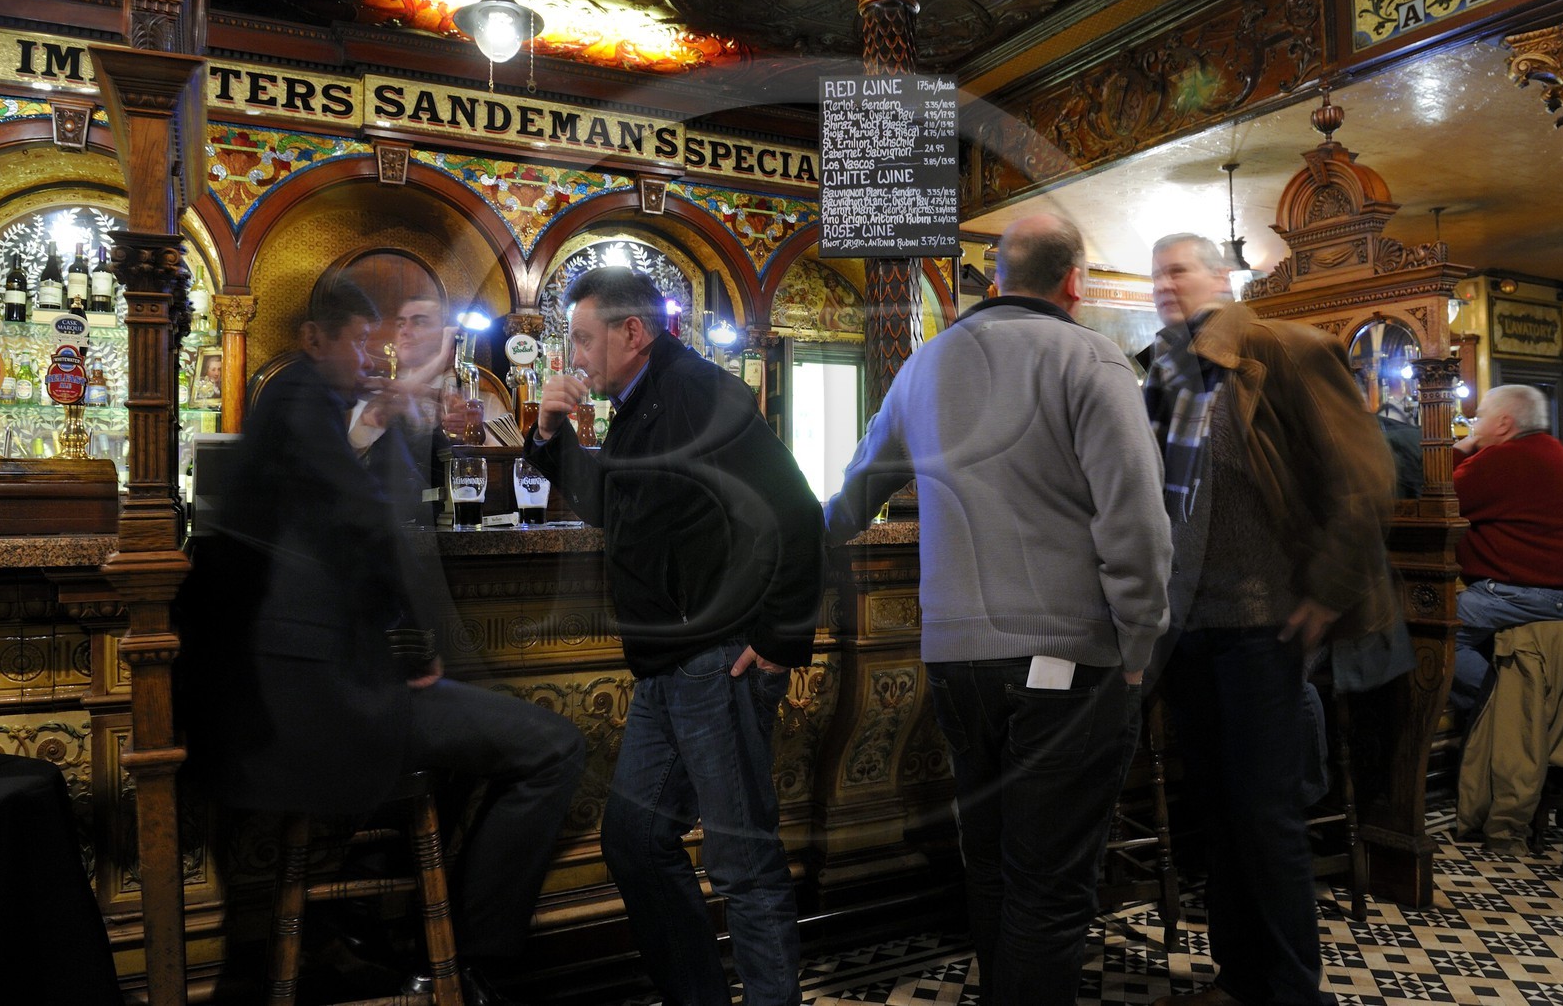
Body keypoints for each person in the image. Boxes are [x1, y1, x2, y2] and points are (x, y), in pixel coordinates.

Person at [183, 278, 584, 1006]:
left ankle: (386, 924)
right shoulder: (302, 396)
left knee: (474, 744)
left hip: (294, 697)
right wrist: (412, 645)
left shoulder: (312, 403)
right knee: (553, 746)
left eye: (386, 340)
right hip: (321, 704)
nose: (376, 355)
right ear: (316, 340)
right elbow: (364, 523)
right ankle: (472, 957)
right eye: (365, 341)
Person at [825, 212, 1172, 1006]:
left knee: (992, 867)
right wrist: (1139, 646)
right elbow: (1137, 524)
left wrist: (791, 558)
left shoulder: (925, 365)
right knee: (1049, 889)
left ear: (993, 278)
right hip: (1067, 658)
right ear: (1075, 282)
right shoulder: (1092, 357)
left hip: (954, 661)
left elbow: (855, 493)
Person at [527, 266, 823, 1006]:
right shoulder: (641, 401)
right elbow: (617, 506)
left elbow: (794, 508)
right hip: (669, 664)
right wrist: (547, 435)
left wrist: (783, 634)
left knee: (742, 863)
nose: (577, 355)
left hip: (715, 660)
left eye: (587, 338)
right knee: (636, 842)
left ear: (634, 332)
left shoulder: (694, 391)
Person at [1144, 234, 1395, 1006]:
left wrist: (1326, 590)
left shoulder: (1282, 348)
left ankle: (1292, 990)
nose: (1164, 284)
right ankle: (1240, 975)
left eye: (1179, 268)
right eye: (1155, 272)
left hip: (1262, 622)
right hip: (1189, 626)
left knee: (1264, 817)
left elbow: (1365, 475)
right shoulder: (1164, 371)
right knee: (1217, 814)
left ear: (1223, 275)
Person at [1450, 384, 1563, 704]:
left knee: (1435, 636)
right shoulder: (1558, 453)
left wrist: (1463, 445)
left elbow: (1440, 492)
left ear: (1504, 423)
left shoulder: (1503, 459)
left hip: (1524, 593)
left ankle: (1508, 707)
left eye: (1479, 417)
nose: (1474, 425)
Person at [349, 292, 509, 457]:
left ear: (447, 333)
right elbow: (353, 451)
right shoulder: (377, 392)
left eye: (419, 322)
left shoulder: (484, 402)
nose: (405, 331)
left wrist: (475, 434)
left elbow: (509, 463)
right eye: (400, 324)